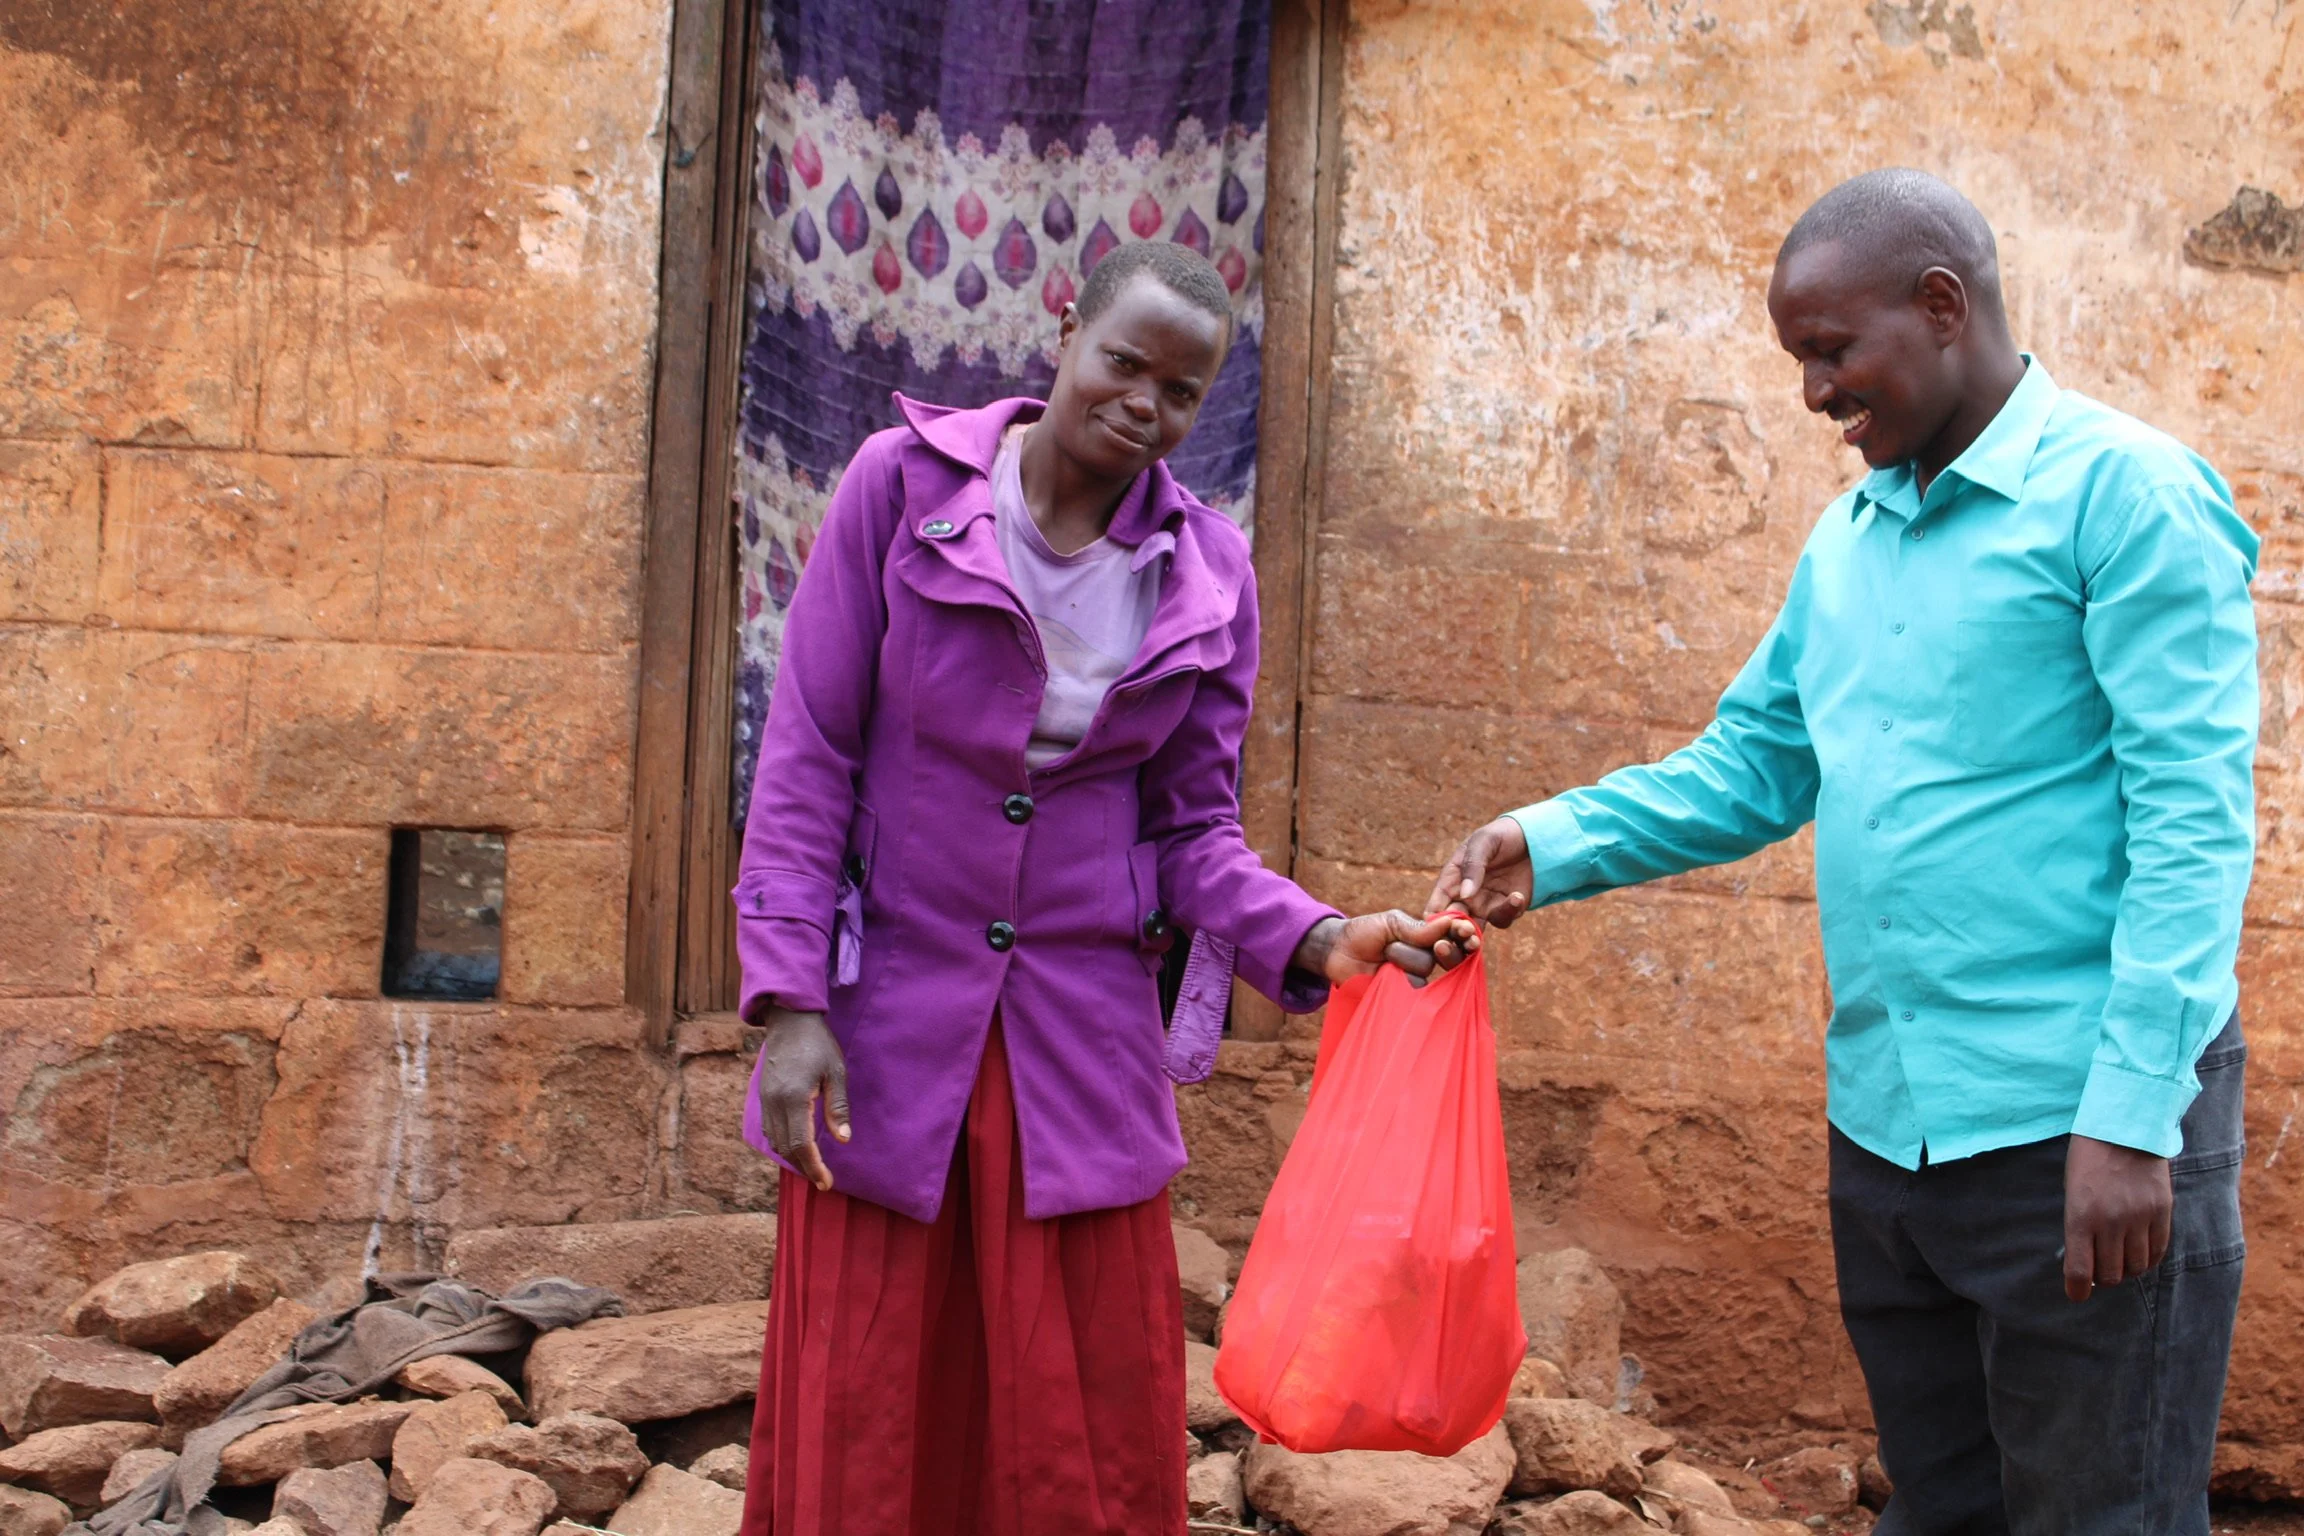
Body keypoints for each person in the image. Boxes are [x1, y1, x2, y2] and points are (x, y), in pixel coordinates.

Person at [1428, 170, 2257, 1535]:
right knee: (1945, 1508)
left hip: (2080, 1129)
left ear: (1941, 305)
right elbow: (1755, 765)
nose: (1815, 394)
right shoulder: (1852, 539)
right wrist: (1551, 840)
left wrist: (2130, 1118)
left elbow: (2193, 824)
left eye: (1831, 351)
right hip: (1890, 1135)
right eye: (1800, 360)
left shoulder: (2127, 497)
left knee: (2101, 1516)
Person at [732, 240, 1475, 1536]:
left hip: (1077, 1044)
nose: (1143, 404)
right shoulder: (901, 489)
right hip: (890, 1029)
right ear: (1065, 327)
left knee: (1076, 1413)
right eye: (1124, 362)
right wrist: (792, 1003)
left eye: (1180, 391)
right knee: (873, 1397)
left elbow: (1193, 832)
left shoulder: (1206, 574)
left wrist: (1321, 938)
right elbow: (808, 758)